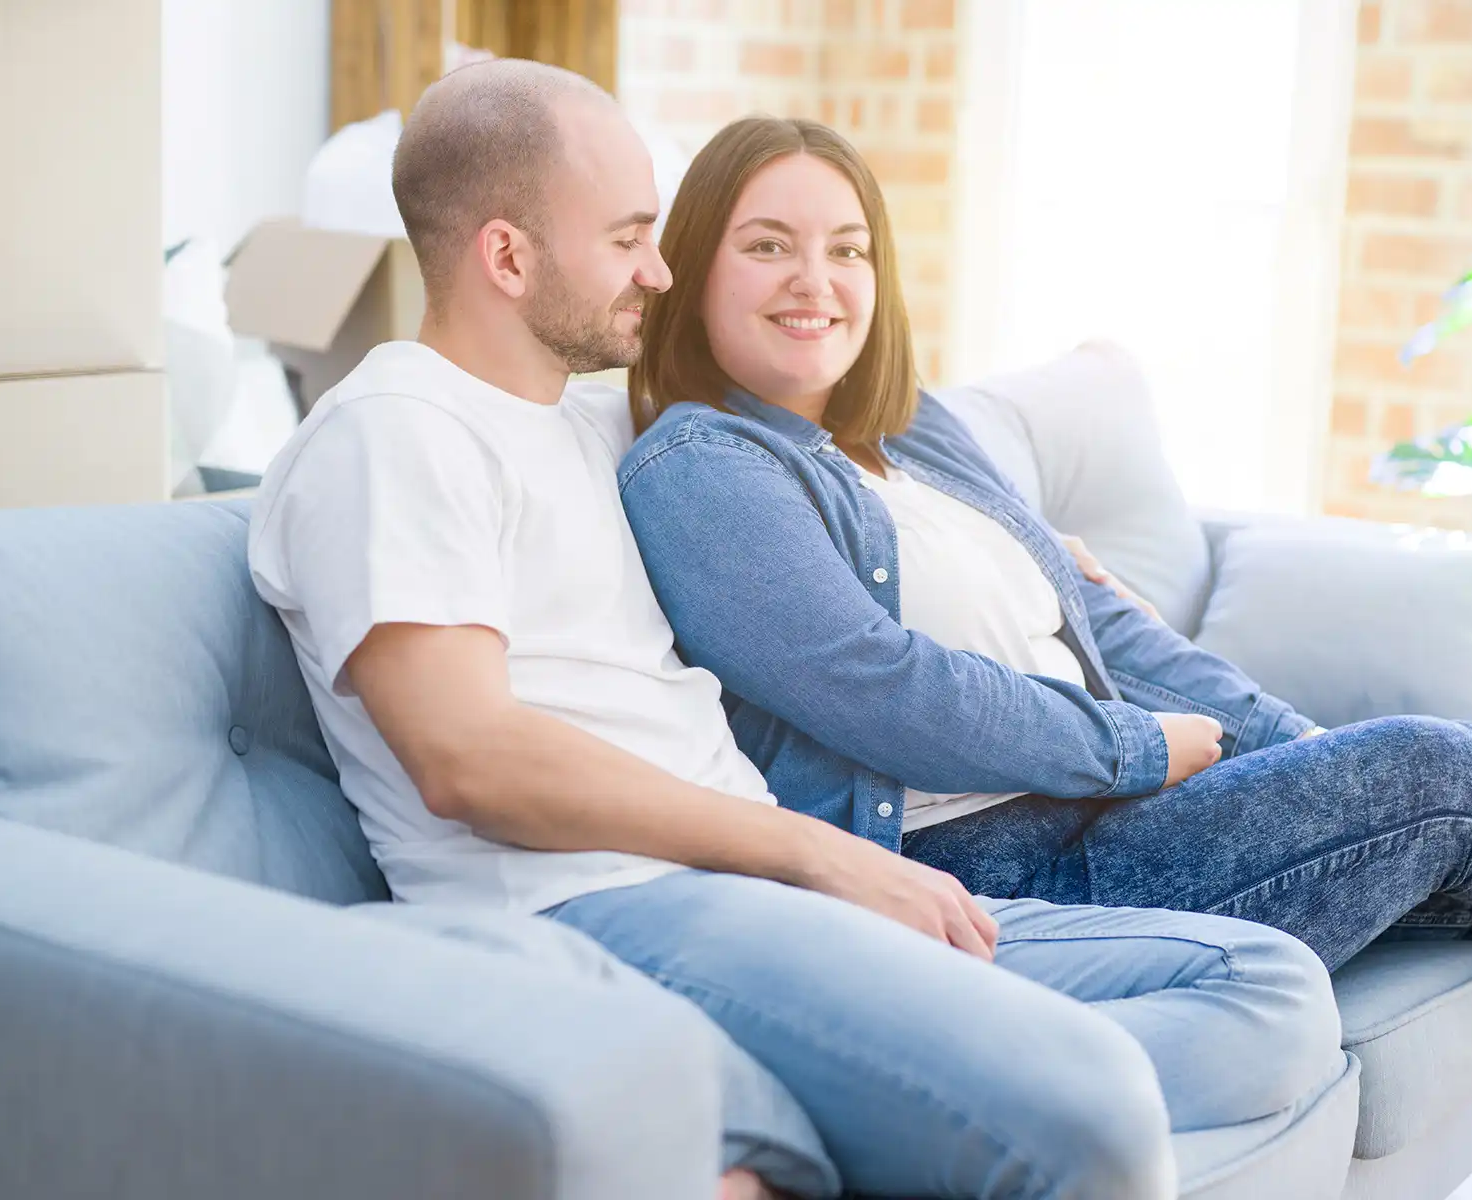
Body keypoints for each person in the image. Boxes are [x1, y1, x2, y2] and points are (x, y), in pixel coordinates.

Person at [248, 61, 1348, 1200]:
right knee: (1096, 1110)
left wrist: (1011, 542)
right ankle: (924, 1106)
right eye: (629, 238)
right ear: (509, 257)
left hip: (759, 897)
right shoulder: (395, 431)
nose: (660, 271)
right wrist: (822, 855)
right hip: (607, 906)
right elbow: (468, 757)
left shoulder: (584, 423)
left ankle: (890, 1110)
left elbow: (814, 468)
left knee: (1269, 993)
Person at [618, 113, 1472, 984]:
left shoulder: (909, 428)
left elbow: (1094, 612)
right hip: (991, 871)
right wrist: (1134, 748)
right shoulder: (702, 467)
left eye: (848, 250)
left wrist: (1298, 750)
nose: (817, 283)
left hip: (1109, 820)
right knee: (1434, 768)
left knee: (1443, 836)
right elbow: (876, 687)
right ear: (694, 268)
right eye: (768, 246)